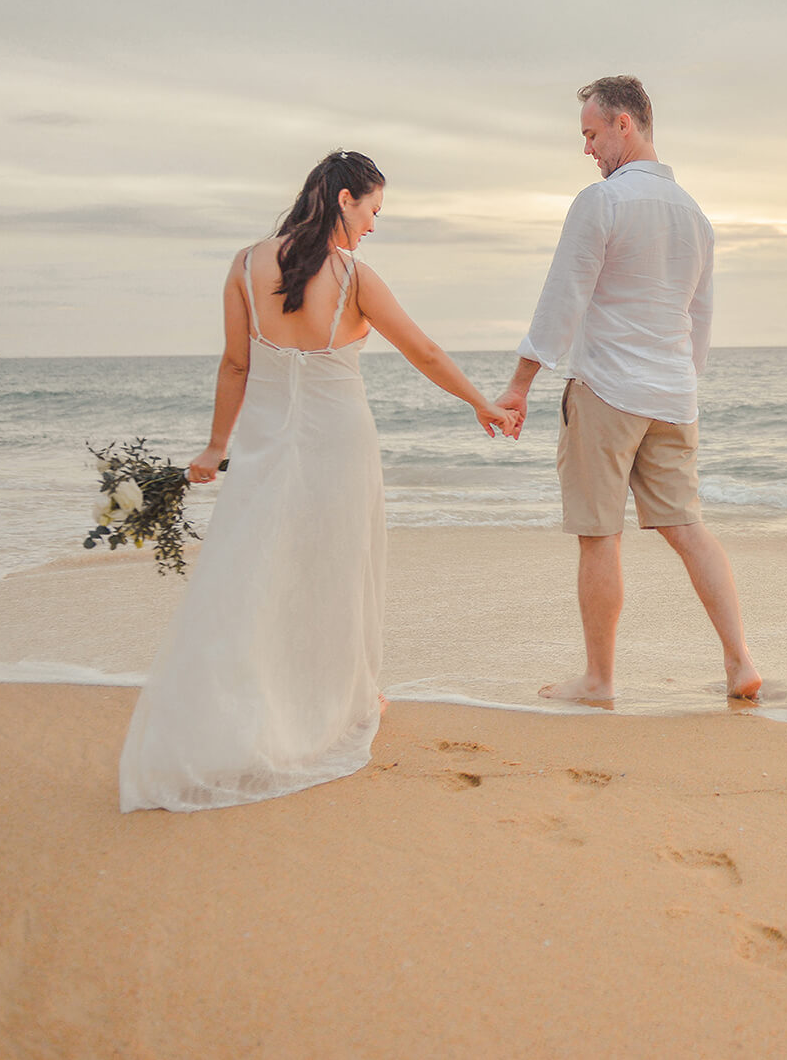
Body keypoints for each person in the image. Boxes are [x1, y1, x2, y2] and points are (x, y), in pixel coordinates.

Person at [120, 150, 518, 812]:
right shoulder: (354, 276)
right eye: (372, 210)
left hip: (267, 445)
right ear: (344, 200)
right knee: (335, 571)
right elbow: (422, 349)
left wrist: (216, 446)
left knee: (257, 574)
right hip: (340, 445)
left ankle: (261, 706)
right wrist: (480, 402)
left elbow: (234, 365)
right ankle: (346, 702)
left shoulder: (246, 264)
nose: (373, 225)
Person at [498, 76, 761, 703]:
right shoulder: (694, 214)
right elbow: (701, 314)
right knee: (689, 529)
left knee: (599, 534)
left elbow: (564, 296)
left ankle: (599, 680)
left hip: (608, 390)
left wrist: (519, 384)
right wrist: (681, 379)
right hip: (673, 395)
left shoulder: (602, 201)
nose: (587, 148)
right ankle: (740, 662)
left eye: (591, 133)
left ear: (626, 124)